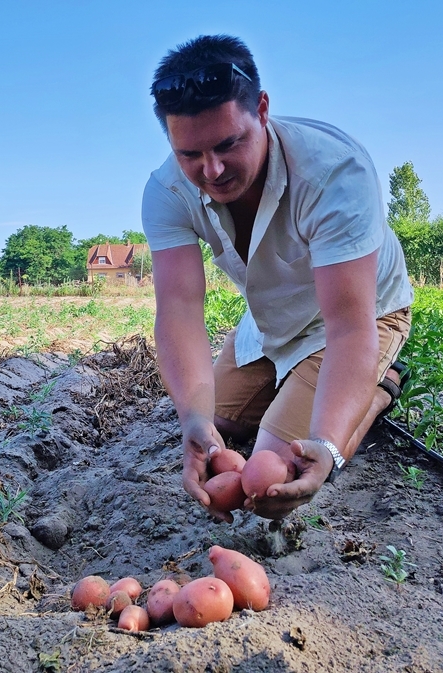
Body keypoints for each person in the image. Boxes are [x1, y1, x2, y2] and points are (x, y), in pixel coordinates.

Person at [141, 35, 414, 521]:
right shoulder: (167, 191)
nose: (212, 170)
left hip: (362, 313)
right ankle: (293, 388)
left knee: (273, 478)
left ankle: (377, 392)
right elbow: (179, 309)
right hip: (272, 319)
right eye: (190, 154)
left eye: (228, 144)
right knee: (214, 423)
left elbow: (349, 327)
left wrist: (326, 443)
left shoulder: (334, 173)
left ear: (262, 110)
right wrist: (193, 419)